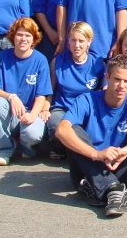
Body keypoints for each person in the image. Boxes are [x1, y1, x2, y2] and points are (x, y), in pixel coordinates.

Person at [55, 55, 127, 216]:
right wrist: (96, 154)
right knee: (72, 130)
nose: (122, 85)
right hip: (88, 168)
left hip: (118, 165)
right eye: (117, 79)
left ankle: (100, 188)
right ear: (107, 76)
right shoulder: (87, 100)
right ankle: (114, 189)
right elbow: (61, 130)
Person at [0, 18, 52, 166]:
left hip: (30, 112)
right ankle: (3, 150)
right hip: (10, 112)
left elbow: (42, 95)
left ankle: (26, 148)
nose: (23, 39)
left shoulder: (40, 60)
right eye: (20, 35)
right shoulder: (3, 57)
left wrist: (33, 115)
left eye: (28, 35)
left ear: (34, 39)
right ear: (13, 36)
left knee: (33, 134)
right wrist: (11, 96)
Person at [45, 21, 105, 157]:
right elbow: (49, 91)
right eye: (73, 40)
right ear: (68, 41)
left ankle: (81, 153)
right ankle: (61, 150)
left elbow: (104, 90)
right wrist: (45, 108)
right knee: (55, 124)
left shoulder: (98, 63)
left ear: (89, 41)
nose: (77, 45)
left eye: (81, 41)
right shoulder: (58, 61)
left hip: (87, 111)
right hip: (63, 109)